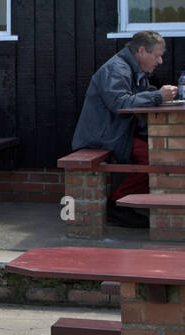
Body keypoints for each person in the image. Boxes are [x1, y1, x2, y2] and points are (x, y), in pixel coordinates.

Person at [70, 30, 177, 227]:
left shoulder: (132, 68)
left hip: (119, 133)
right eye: (157, 55)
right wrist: (157, 97)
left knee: (160, 154)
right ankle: (117, 205)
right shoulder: (116, 69)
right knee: (152, 159)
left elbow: (138, 96)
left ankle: (125, 203)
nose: (160, 61)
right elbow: (119, 104)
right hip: (103, 137)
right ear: (142, 51)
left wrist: (161, 95)